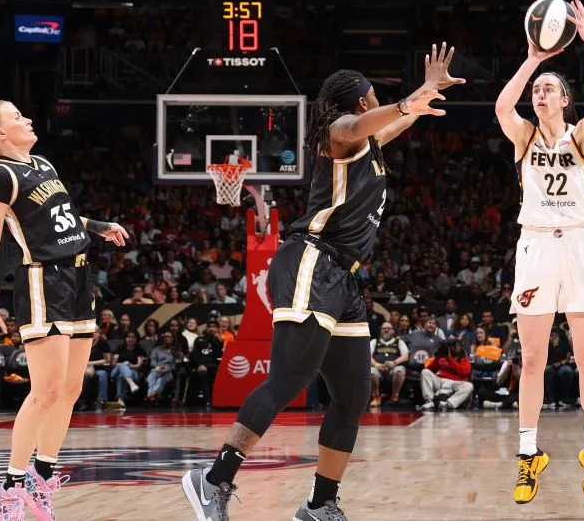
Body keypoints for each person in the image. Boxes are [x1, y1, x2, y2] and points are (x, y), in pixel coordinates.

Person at [182, 42, 463, 521]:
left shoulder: (370, 146)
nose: (379, 102)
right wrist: (406, 102)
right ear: (361, 101)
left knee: (354, 394)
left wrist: (423, 93)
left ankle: (319, 503)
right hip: (312, 261)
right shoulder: (340, 134)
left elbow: (396, 122)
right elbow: (358, 126)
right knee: (290, 377)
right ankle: (213, 479)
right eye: (375, 96)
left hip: (345, 279)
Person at [0, 100, 128, 519]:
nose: (27, 119)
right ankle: (11, 485)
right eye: (16, 117)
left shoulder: (42, 164)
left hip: (80, 278)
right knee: (45, 391)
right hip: (43, 280)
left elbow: (59, 215)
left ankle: (41, 477)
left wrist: (97, 226)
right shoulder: (0, 176)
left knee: (70, 389)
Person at [495, 0, 584, 504]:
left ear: (564, 100)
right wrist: (533, 61)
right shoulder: (522, 137)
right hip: (535, 248)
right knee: (534, 358)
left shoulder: (582, 135)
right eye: (537, 90)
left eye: (548, 89)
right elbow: (502, 106)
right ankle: (528, 457)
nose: (540, 93)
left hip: (579, 246)